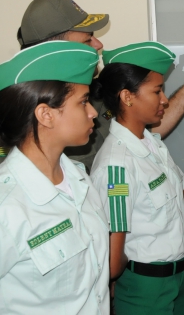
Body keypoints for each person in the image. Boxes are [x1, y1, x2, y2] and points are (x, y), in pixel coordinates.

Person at [90, 41, 184, 314]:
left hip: (175, 284)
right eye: (157, 91)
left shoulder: (152, 146)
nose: (164, 99)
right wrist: (138, 275)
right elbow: (113, 261)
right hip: (144, 291)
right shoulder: (116, 166)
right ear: (127, 97)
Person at [11, 0, 184, 170]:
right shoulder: (16, 116)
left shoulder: (94, 95)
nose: (98, 44)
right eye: (87, 39)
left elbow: (137, 130)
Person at [0, 41, 109, 313]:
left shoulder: (79, 178)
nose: (93, 111)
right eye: (83, 102)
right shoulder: (7, 205)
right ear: (45, 115)